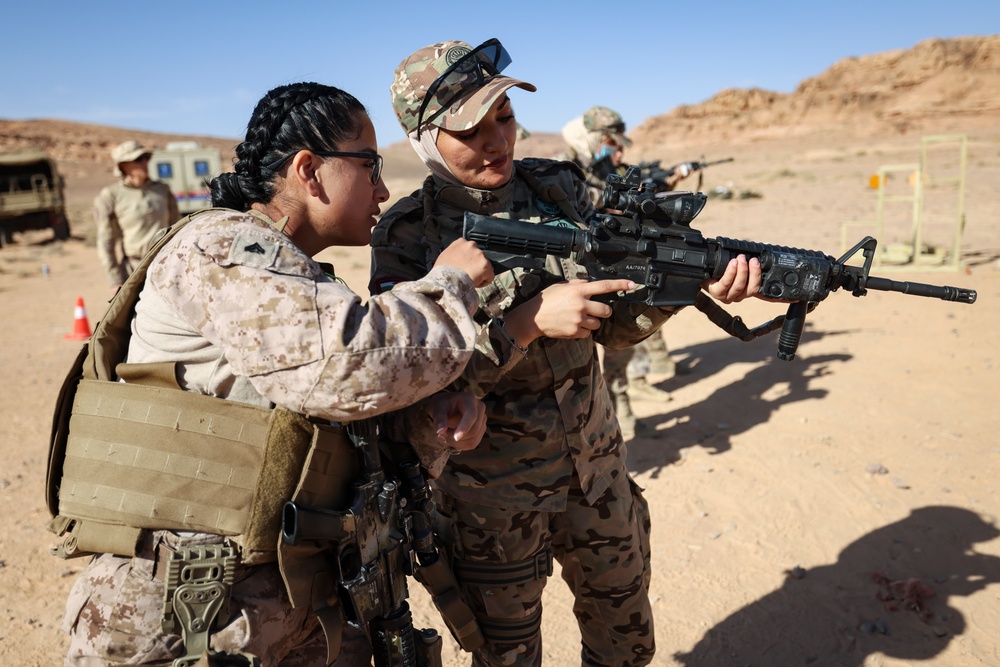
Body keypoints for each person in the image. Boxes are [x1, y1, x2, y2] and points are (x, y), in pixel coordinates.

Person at [60, 82, 496, 666]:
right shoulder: (220, 248)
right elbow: (342, 368)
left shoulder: (299, 277)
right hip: (189, 612)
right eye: (369, 167)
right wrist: (451, 285)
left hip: (289, 598)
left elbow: (324, 434)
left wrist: (431, 421)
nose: (384, 190)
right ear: (310, 171)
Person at [370, 39, 764, 666]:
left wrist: (680, 290)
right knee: (506, 658)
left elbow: (615, 324)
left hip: (596, 474)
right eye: (471, 129)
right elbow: (409, 381)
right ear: (423, 138)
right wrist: (524, 325)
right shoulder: (406, 238)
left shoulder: (557, 188)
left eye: (504, 118)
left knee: (626, 647)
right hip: (490, 501)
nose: (499, 140)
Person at [558, 106, 692, 438]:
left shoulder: (605, 166)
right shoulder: (562, 168)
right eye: (610, 142)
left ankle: (625, 407)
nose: (617, 151)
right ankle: (607, 420)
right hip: (575, 272)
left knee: (626, 335)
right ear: (592, 138)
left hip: (613, 260)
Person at [94, 140, 181, 291]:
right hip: (134, 271)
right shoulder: (111, 196)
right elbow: (106, 240)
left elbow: (178, 228)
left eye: (146, 158)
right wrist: (115, 279)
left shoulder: (162, 189)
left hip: (168, 267)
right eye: (138, 159)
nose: (144, 163)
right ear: (123, 166)